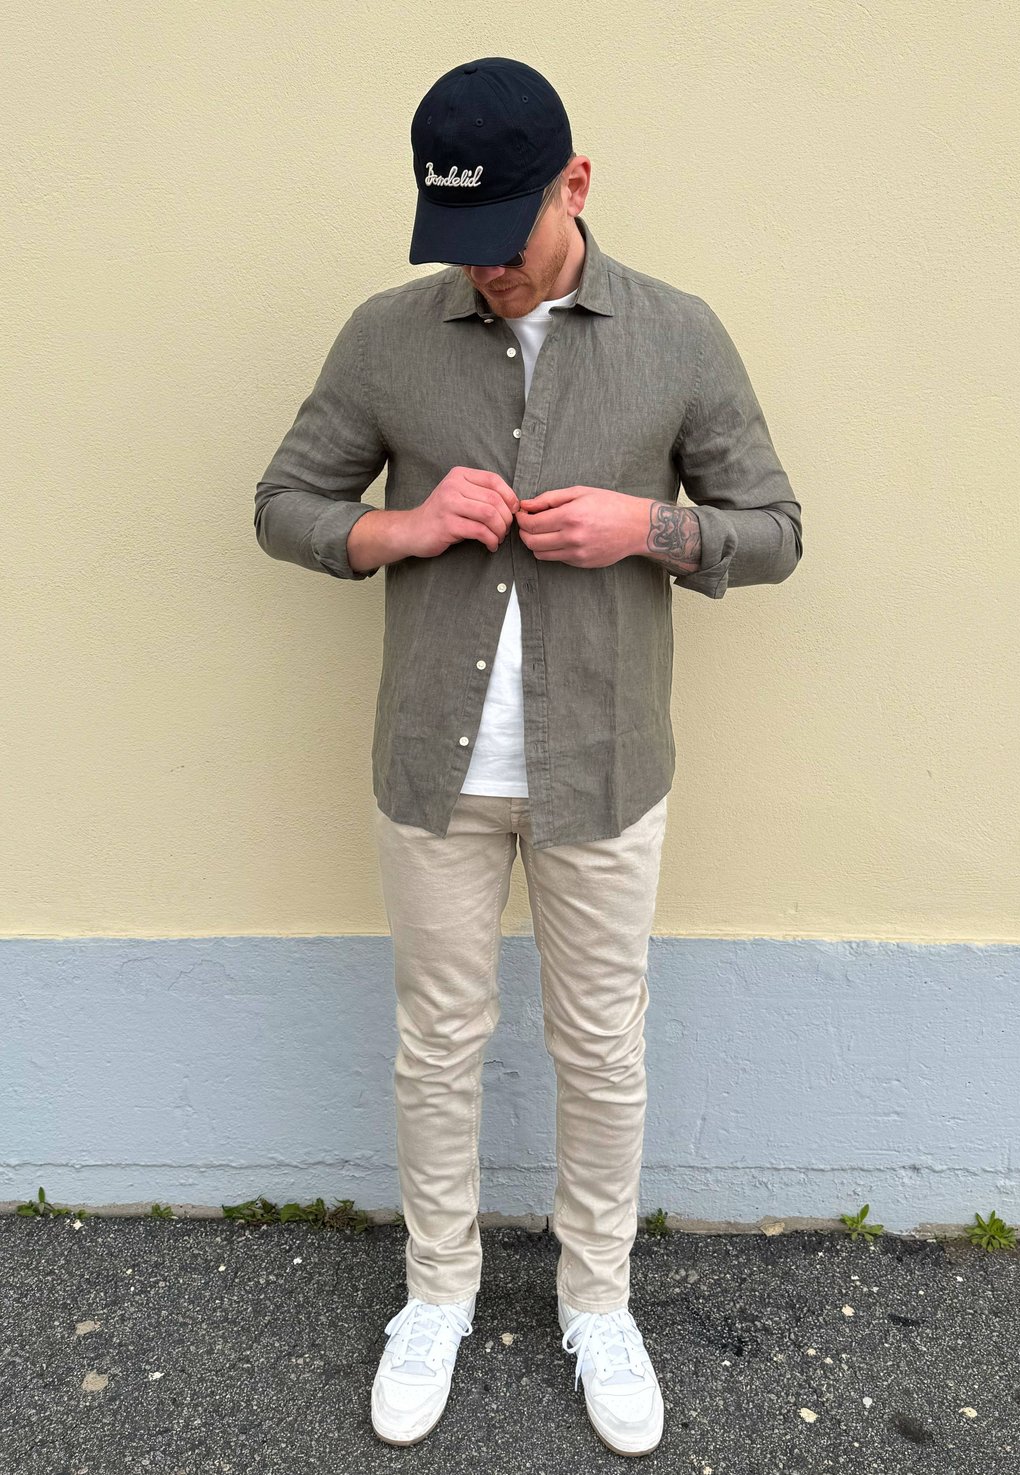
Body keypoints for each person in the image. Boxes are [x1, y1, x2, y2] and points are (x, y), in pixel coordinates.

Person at [254, 55, 802, 1457]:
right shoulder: (388, 336)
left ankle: (597, 1302)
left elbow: (776, 530)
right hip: (432, 769)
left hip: (603, 765)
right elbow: (286, 502)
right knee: (438, 1043)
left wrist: (649, 530)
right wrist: (402, 527)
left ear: (577, 184)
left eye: (508, 233)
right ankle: (437, 1292)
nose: (487, 268)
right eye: (461, 241)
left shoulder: (678, 336)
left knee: (601, 1048)